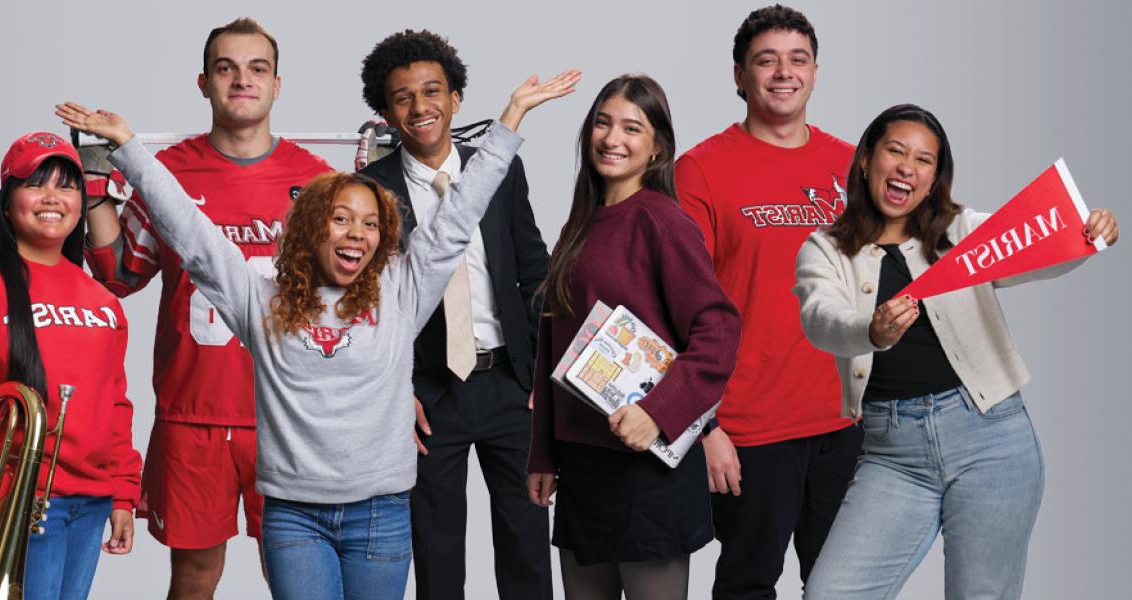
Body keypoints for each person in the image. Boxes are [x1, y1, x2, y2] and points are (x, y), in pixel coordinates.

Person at [58, 68, 577, 600]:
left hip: (380, 511)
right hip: (295, 516)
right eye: (341, 219)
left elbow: (459, 216)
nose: (357, 234)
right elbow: (193, 236)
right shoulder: (261, 302)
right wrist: (126, 147)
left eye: (371, 224)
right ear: (310, 228)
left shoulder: (402, 293)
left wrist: (511, 117)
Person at [794, 104, 1119, 600]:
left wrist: (1089, 233)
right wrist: (871, 329)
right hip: (891, 453)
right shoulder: (826, 249)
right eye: (895, 151)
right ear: (866, 160)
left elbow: (1038, 252)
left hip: (991, 439)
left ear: (934, 178)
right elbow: (820, 319)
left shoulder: (962, 231)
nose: (907, 167)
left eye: (924, 160)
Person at [77, 18, 334, 600]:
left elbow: (353, 300)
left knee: (298, 578)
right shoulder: (165, 171)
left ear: (276, 84)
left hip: (290, 414)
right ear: (204, 82)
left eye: (256, 68)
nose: (242, 80)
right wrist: (96, 183)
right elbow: (119, 273)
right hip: (194, 410)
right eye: (226, 68)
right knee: (194, 578)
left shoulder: (317, 180)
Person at [525, 74, 741, 600]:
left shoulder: (663, 222)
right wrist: (544, 453)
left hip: (647, 469)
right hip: (583, 468)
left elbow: (718, 330)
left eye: (631, 127)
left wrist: (660, 412)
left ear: (657, 146)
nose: (612, 138)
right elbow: (555, 341)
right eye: (602, 123)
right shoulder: (582, 223)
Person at [354, 29, 552, 600]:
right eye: (403, 97)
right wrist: (396, 387)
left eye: (433, 91)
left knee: (528, 554)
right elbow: (366, 308)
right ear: (385, 112)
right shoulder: (369, 192)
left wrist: (544, 372)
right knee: (437, 559)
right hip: (426, 395)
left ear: (456, 98)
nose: (421, 107)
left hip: (511, 385)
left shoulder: (500, 170)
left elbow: (534, 271)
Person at [672, 7, 862, 597]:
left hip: (847, 420)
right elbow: (674, 307)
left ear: (815, 71)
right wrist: (705, 428)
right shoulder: (701, 171)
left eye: (797, 59)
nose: (784, 72)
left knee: (847, 587)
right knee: (748, 584)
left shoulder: (852, 164)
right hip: (750, 429)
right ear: (739, 76)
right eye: (766, 60)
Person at [0, 131, 143, 599]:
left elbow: (115, 402)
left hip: (91, 501)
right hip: (20, 497)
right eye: (35, 184)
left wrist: (124, 491)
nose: (52, 199)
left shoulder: (103, 302)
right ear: (6, 201)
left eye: (67, 186)